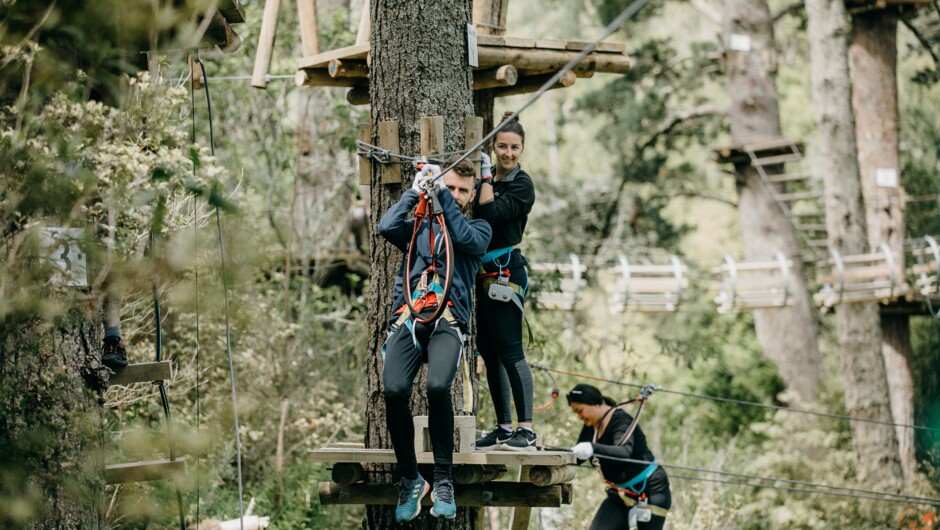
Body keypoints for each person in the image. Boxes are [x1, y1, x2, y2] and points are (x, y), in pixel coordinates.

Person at [378, 157, 492, 522]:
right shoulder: (417, 230)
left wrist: (440, 191)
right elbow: (385, 226)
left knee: (440, 387)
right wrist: (415, 192)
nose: (456, 195)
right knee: (394, 389)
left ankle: (443, 478)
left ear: (471, 194)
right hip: (410, 318)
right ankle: (411, 479)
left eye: (461, 190)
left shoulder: (478, 229)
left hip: (448, 321)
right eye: (451, 187)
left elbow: (462, 238)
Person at [473, 112, 538, 452]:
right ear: (493, 146)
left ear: (522, 149)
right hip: (481, 275)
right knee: (489, 351)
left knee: (511, 349)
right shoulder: (488, 180)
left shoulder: (521, 184)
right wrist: (484, 178)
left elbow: (490, 216)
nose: (507, 153)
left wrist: (484, 177)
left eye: (514, 147)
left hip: (506, 273)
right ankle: (502, 427)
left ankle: (525, 429)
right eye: (502, 146)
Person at [567, 384, 671, 530]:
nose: (579, 416)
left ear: (594, 403)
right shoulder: (591, 426)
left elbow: (624, 453)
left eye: (580, 411)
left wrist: (593, 448)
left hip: (651, 489)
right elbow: (576, 457)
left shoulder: (621, 420)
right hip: (620, 494)